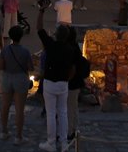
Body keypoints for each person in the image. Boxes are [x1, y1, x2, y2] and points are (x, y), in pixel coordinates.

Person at [36, 8, 77, 152]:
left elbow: (39, 29)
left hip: (50, 83)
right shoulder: (70, 49)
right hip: (63, 83)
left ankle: (51, 142)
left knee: (51, 113)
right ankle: (64, 143)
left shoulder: (50, 45)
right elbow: (72, 68)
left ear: (56, 35)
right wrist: (67, 79)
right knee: (63, 113)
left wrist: (41, 11)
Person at [0, 24, 32, 144]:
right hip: (20, 78)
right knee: (19, 109)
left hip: (7, 77)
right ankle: (18, 136)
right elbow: (30, 67)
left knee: (5, 105)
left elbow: (1, 66)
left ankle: (3, 131)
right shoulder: (25, 51)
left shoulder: (5, 50)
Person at [66, 27, 90, 144]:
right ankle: (75, 128)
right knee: (74, 107)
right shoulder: (76, 48)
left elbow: (72, 69)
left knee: (69, 108)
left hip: (71, 83)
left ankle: (70, 132)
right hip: (77, 83)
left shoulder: (70, 50)